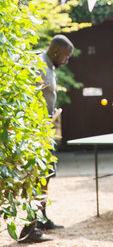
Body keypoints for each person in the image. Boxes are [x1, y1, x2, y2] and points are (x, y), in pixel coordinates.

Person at [19, 34, 74, 243]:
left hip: (46, 130)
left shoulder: (50, 67)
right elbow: (30, 97)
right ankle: (30, 227)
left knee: (47, 176)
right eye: (67, 56)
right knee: (38, 178)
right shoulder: (38, 65)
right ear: (56, 51)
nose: (67, 60)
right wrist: (44, 120)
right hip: (37, 132)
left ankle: (41, 220)